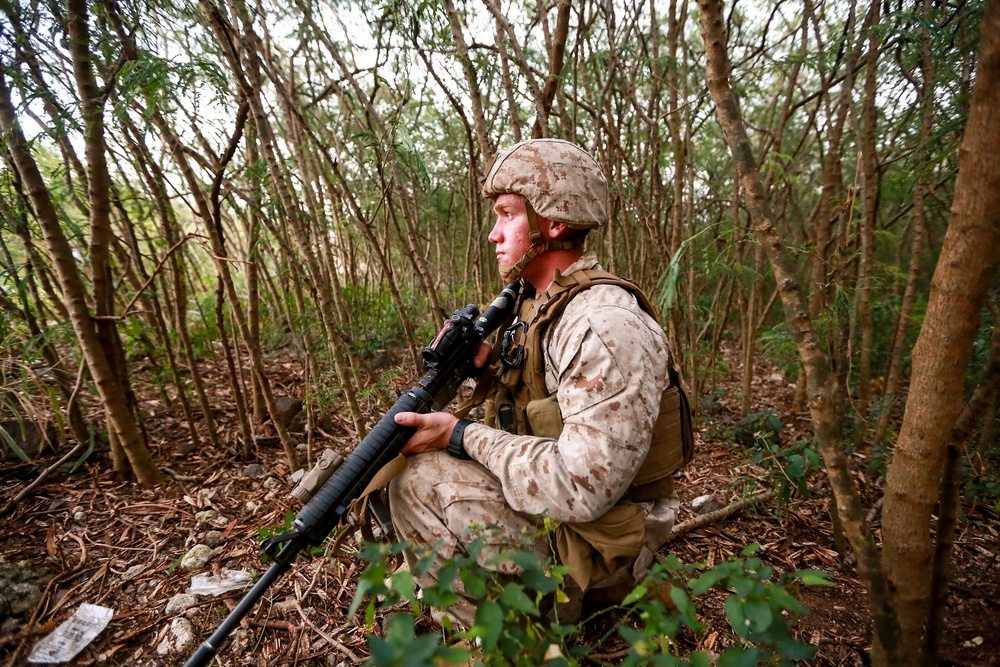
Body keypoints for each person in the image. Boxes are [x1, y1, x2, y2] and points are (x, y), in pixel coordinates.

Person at [388, 138, 682, 627]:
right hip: (570, 519)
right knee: (399, 457)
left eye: (507, 215)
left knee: (416, 480)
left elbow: (581, 487)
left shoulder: (602, 325)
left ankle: (509, 643)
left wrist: (460, 435)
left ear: (554, 222)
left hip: (604, 546)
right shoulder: (537, 303)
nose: (493, 234)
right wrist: (489, 366)